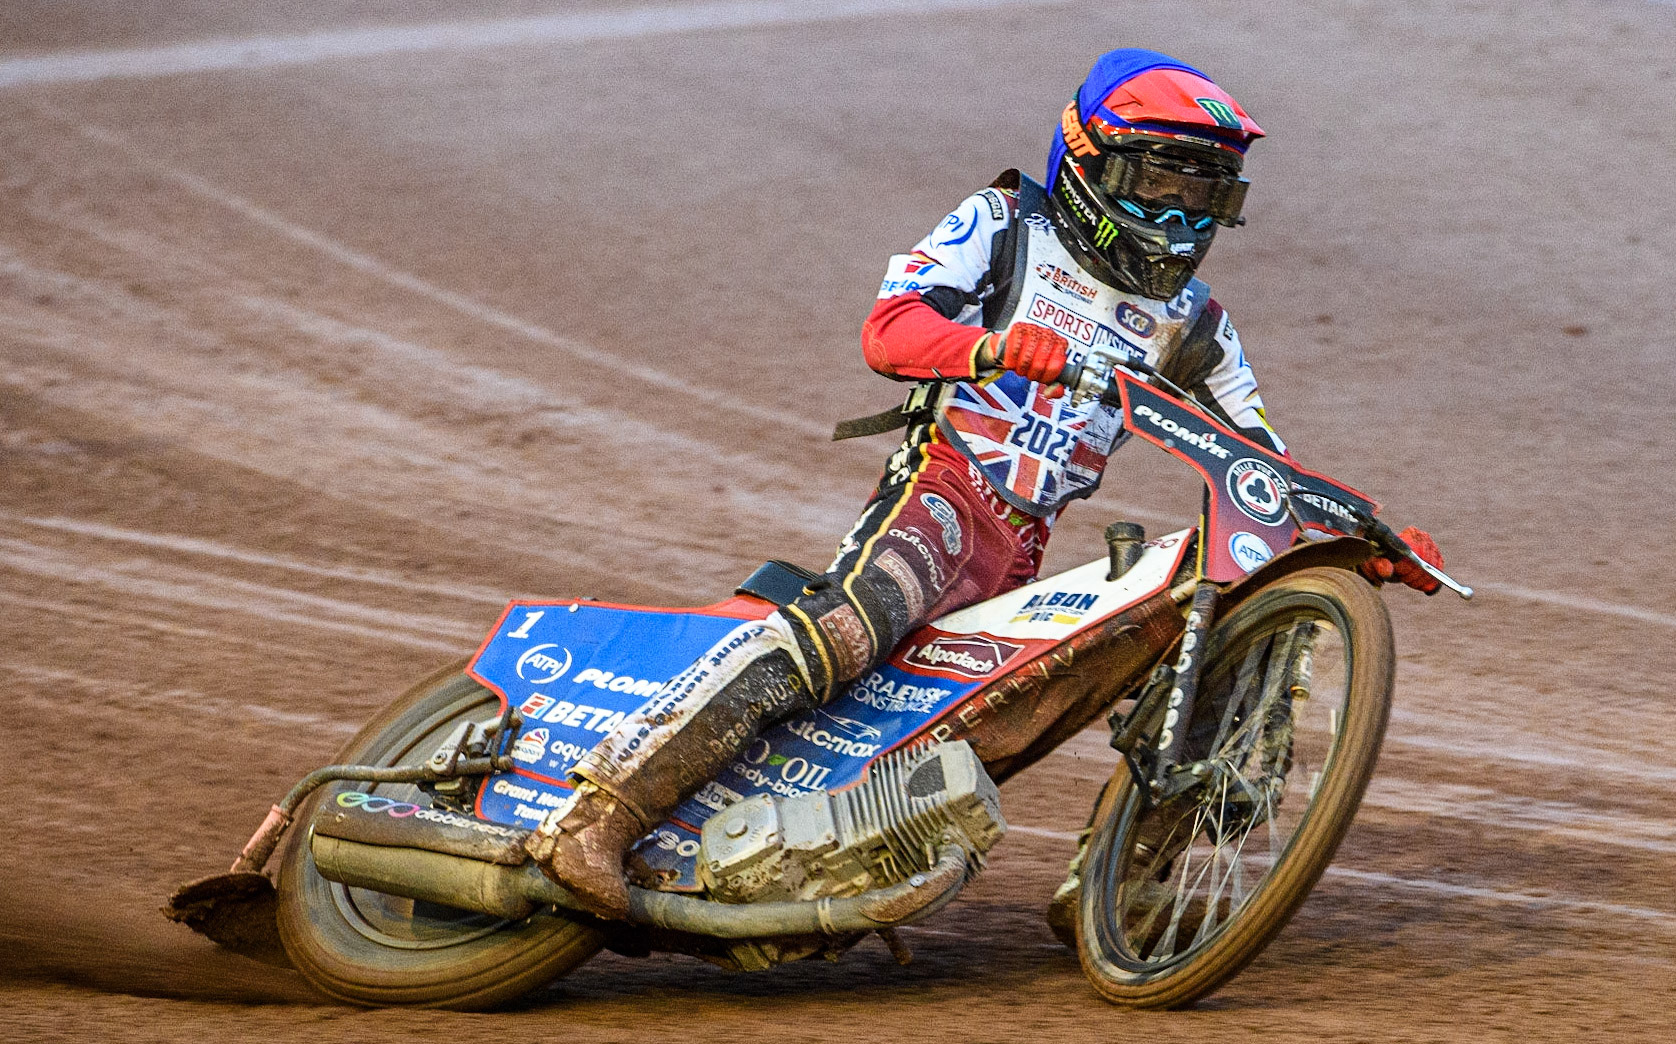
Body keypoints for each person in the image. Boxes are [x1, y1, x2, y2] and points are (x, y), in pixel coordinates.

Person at [525, 47, 1445, 920]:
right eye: (1158, 185)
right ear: (1086, 161)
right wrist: (991, 347)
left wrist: (1363, 536)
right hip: (946, 496)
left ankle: (1126, 883)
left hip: (1029, 552)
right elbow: (888, 330)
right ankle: (600, 816)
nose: (1178, 221)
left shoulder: (1195, 324)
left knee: (1151, 650)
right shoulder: (1006, 228)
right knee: (850, 630)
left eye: (1205, 197)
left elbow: (1262, 466)